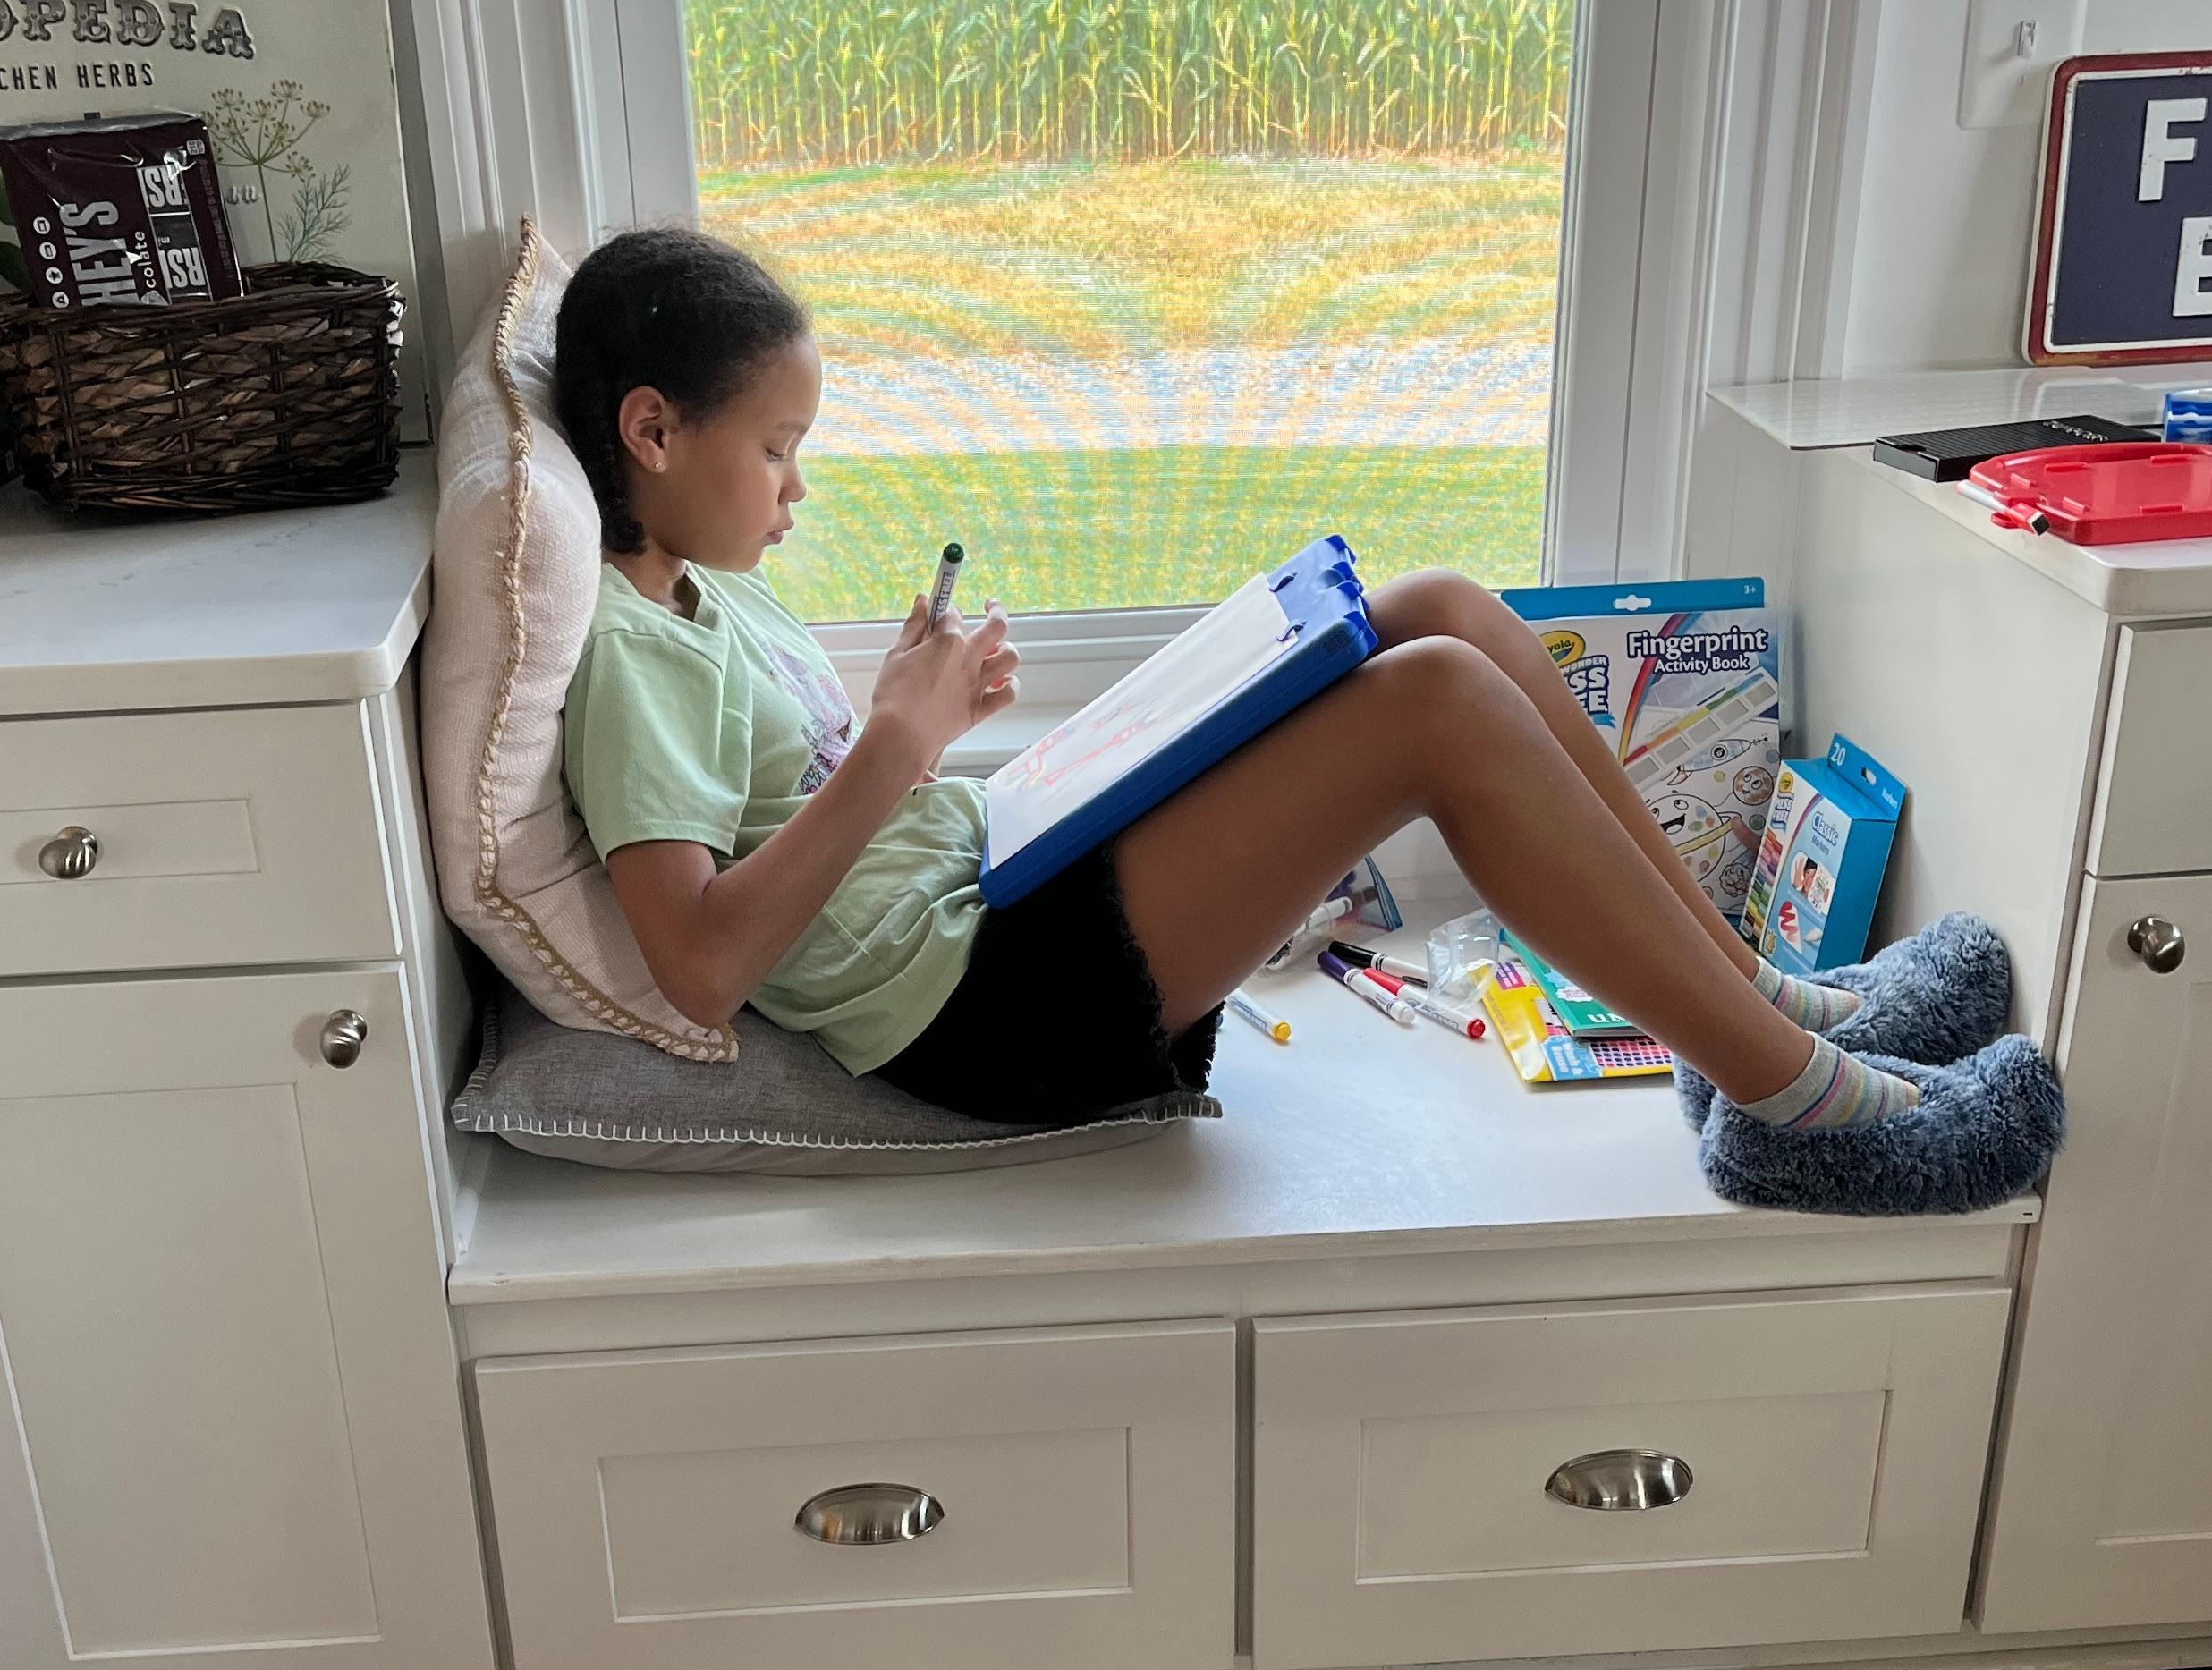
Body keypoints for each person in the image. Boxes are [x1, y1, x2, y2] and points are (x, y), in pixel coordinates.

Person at [550, 224, 2061, 1214]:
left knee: (1441, 607)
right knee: (1435, 711)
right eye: (778, 448)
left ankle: (1750, 1001)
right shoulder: (632, 657)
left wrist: (936, 732)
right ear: (652, 429)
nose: (798, 489)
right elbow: (700, 966)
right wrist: (902, 744)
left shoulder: (713, 586)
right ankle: (1800, 1111)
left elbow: (820, 796)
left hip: (997, 881)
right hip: (988, 1008)